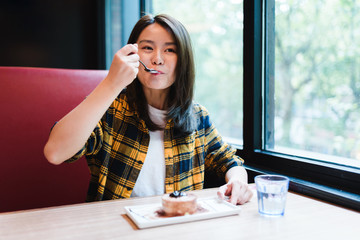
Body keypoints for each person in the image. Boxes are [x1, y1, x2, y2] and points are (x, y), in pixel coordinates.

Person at [44, 14, 253, 205]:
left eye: (170, 50)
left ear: (183, 61)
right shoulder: (110, 108)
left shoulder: (198, 116)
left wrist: (237, 181)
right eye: (147, 48)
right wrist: (111, 83)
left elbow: (229, 162)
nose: (157, 59)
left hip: (179, 225)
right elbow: (55, 153)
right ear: (133, 54)